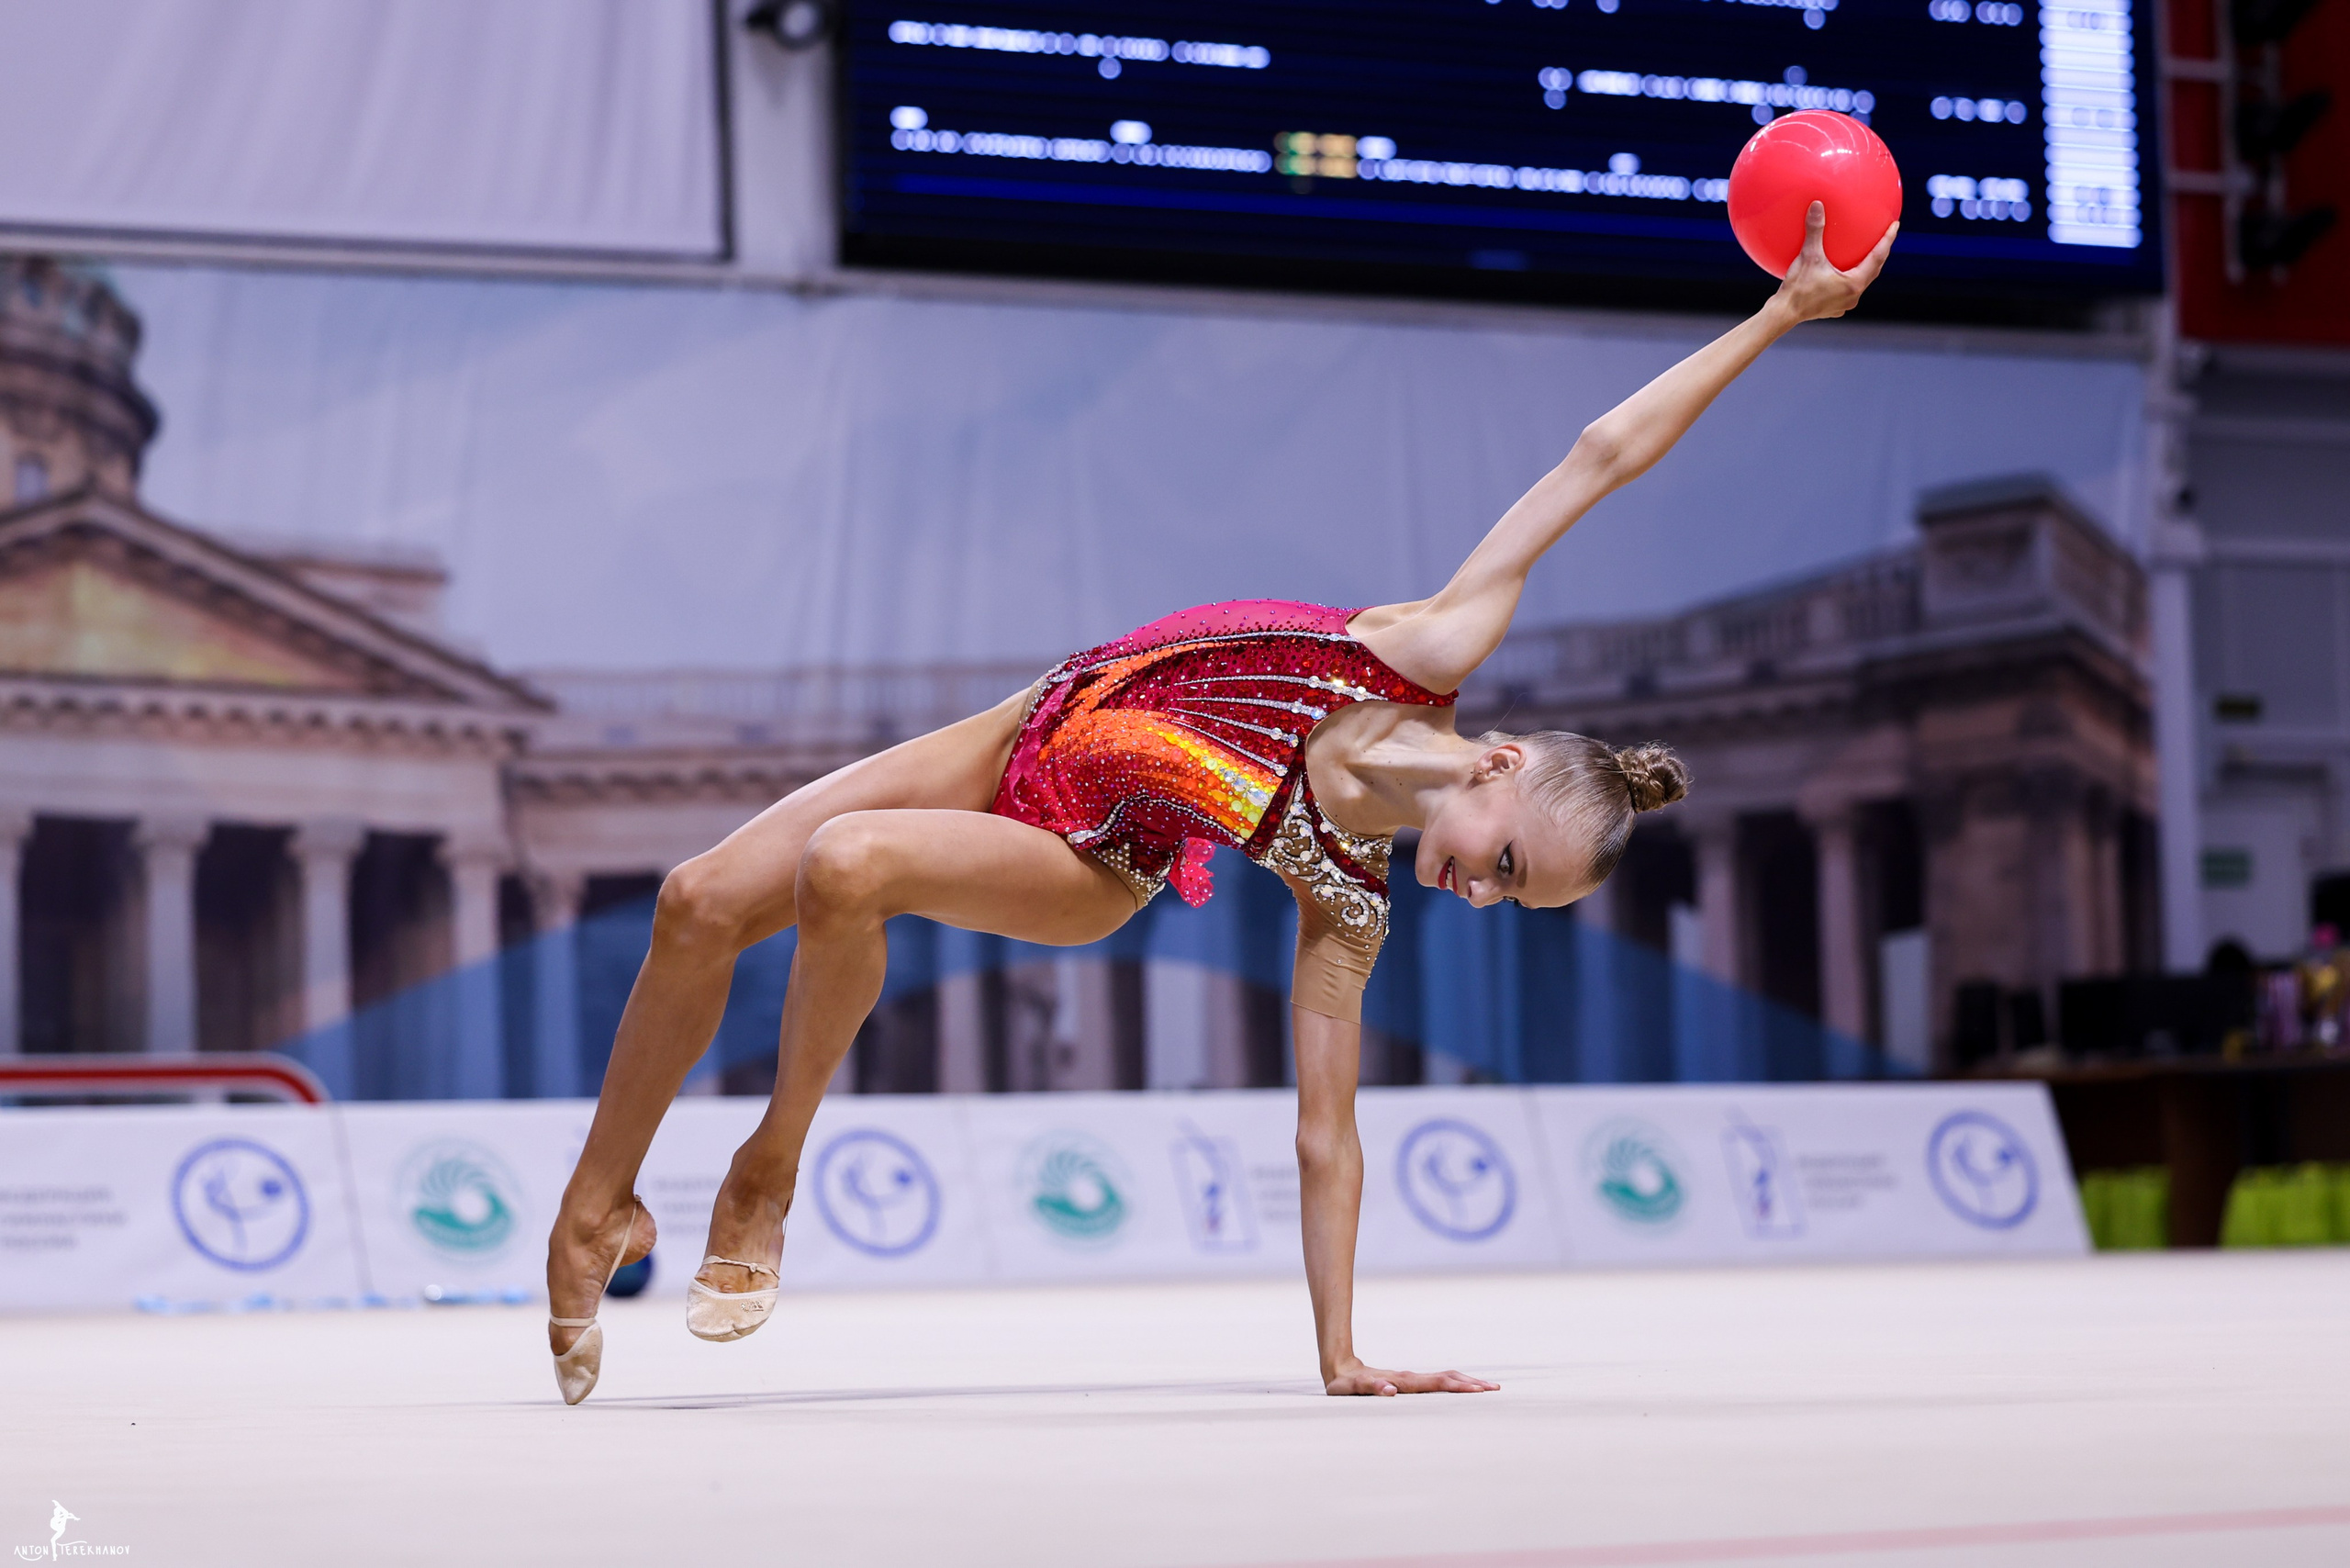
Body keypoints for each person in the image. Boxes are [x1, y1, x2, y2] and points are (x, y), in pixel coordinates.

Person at [545, 204, 1897, 1405]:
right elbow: (1604, 455)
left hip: (1093, 857)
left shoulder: (1349, 901)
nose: (1478, 896)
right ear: (1496, 770)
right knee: (697, 899)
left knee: (845, 866)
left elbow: (1327, 1136)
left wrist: (1343, 1352)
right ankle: (593, 1213)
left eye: (1506, 900)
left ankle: (767, 1171)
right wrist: (1779, 311)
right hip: (1040, 719)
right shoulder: (1422, 654)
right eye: (1503, 866)